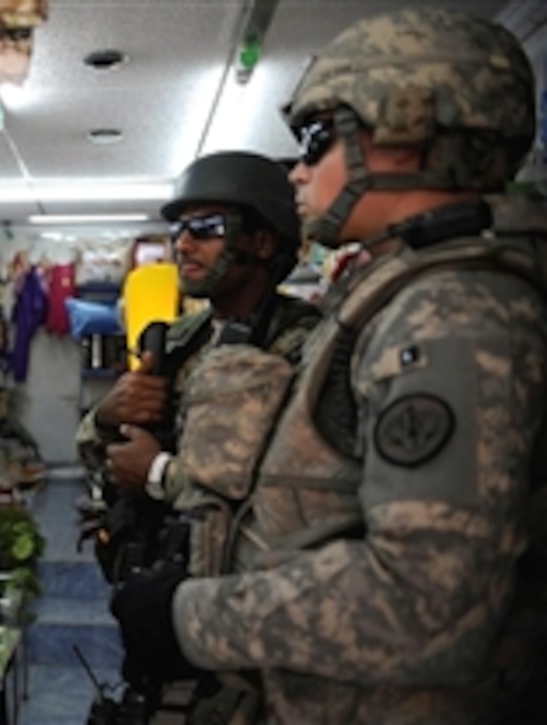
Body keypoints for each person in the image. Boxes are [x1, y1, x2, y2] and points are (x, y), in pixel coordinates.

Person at [110, 7, 547, 723]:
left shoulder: (455, 312)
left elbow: (424, 601)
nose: (301, 168)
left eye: (318, 137)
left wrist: (188, 618)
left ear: (407, 132)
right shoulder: (399, 296)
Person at [75, 150, 319, 586]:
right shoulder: (178, 339)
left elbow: (296, 495)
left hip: (245, 597)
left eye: (207, 229)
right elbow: (100, 458)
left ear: (262, 242)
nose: (182, 244)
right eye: (179, 229)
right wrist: (107, 418)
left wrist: (158, 474)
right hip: (157, 581)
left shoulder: (308, 347)